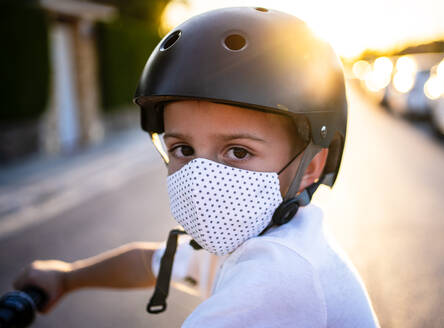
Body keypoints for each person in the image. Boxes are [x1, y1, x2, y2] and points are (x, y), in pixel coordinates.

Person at [13, 7, 379, 327]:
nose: (202, 178)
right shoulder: (253, 234)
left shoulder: (280, 274)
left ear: (312, 166)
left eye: (238, 152)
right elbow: (150, 262)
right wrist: (66, 278)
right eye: (183, 148)